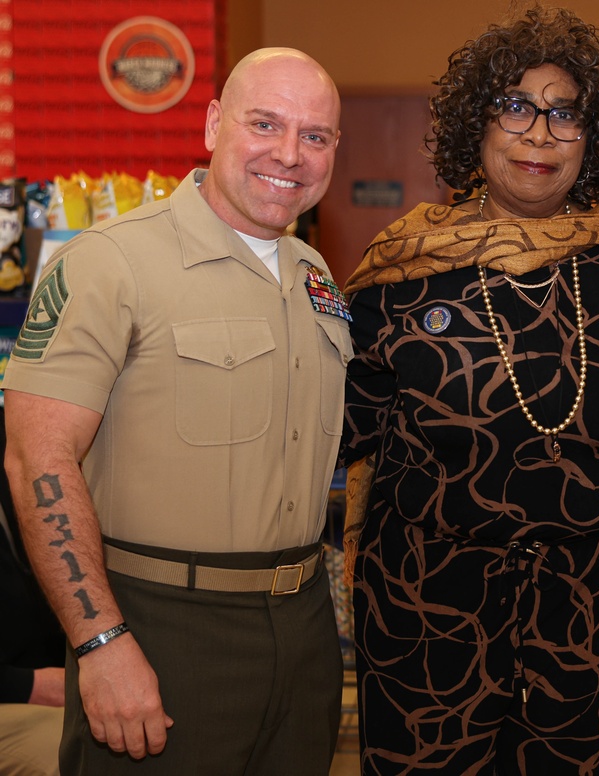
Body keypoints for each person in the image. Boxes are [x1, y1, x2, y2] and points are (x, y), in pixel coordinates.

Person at [338, 6, 599, 773]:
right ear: (478, 124)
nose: (539, 133)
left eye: (566, 113)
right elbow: (336, 429)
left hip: (595, 621)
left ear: (594, 137)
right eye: (516, 106)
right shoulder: (405, 266)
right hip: (428, 623)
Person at [3, 47, 350, 775]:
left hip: (303, 627)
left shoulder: (316, 275)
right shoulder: (109, 262)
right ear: (213, 124)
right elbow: (39, 457)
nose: (289, 154)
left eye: (315, 136)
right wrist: (100, 643)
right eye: (265, 123)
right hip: (160, 627)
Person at [1, 407, 65, 776]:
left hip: (40, 664)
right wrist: (27, 685)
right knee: (76, 753)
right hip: (17, 690)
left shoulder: (13, 431)